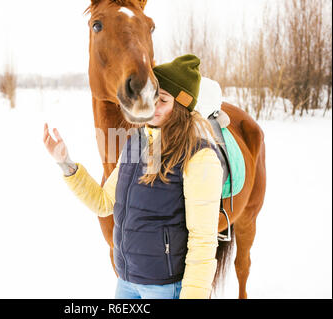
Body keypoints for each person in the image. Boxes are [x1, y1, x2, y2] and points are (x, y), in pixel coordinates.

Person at [43, 55, 224, 299]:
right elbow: (104, 202)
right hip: (127, 282)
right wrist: (65, 162)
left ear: (182, 105)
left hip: (165, 288)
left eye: (163, 100)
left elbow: (203, 242)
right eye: (151, 97)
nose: (153, 106)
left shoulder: (199, 156)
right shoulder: (134, 143)